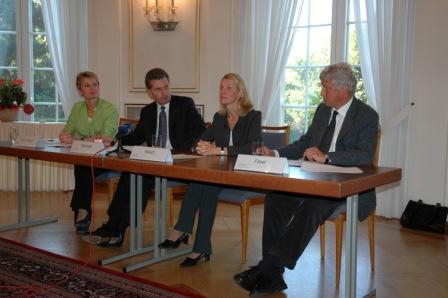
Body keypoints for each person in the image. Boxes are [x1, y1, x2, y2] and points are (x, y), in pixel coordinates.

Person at [233, 62, 379, 295]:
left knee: (313, 206)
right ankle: (272, 275)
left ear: (343, 89)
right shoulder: (323, 110)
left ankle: (267, 268)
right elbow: (306, 142)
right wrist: (276, 153)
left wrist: (328, 156)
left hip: (347, 186)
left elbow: (365, 155)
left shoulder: (367, 116)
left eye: (326, 87)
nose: (322, 92)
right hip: (315, 180)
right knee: (276, 199)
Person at [90, 68, 206, 247]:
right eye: (158, 89)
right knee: (130, 173)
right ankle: (116, 228)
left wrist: (189, 148)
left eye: (166, 87)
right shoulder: (148, 112)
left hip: (180, 161)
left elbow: (201, 131)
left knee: (139, 175)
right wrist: (114, 141)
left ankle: (115, 229)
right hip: (156, 162)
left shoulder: (185, 105)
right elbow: (136, 138)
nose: (164, 92)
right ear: (150, 92)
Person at [158, 73, 261, 267]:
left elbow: (252, 147)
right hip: (221, 173)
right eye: (221, 87)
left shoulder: (253, 116)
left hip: (244, 173)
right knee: (203, 183)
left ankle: (182, 231)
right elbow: (201, 139)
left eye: (228, 88)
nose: (223, 91)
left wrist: (220, 150)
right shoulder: (219, 117)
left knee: (204, 184)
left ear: (240, 93)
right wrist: (200, 146)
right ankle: (199, 246)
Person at [59, 71, 119, 234]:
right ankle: (82, 209)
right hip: (85, 155)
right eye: (87, 85)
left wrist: (79, 141)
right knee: (83, 165)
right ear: (80, 91)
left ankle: (81, 209)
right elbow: (67, 131)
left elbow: (106, 139)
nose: (92, 88)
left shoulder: (109, 108)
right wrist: (64, 136)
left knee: (83, 166)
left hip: (108, 157)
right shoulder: (77, 108)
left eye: (95, 84)